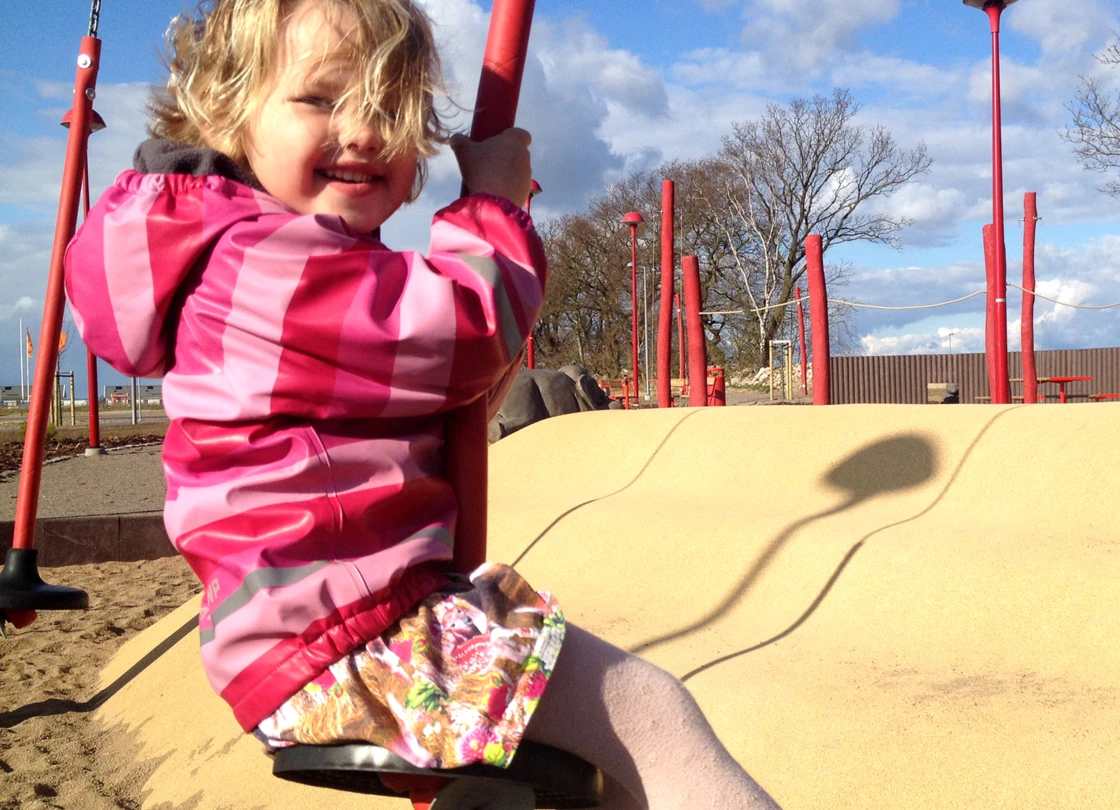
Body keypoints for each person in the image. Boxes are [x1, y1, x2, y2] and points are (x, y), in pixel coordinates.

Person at [63, 1, 780, 808]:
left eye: (391, 107)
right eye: (321, 99)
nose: (366, 131)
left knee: (569, 779)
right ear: (225, 112)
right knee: (654, 715)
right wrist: (493, 206)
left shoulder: (228, 255)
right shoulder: (263, 267)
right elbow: (472, 326)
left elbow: (461, 385)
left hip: (319, 629)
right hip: (350, 636)